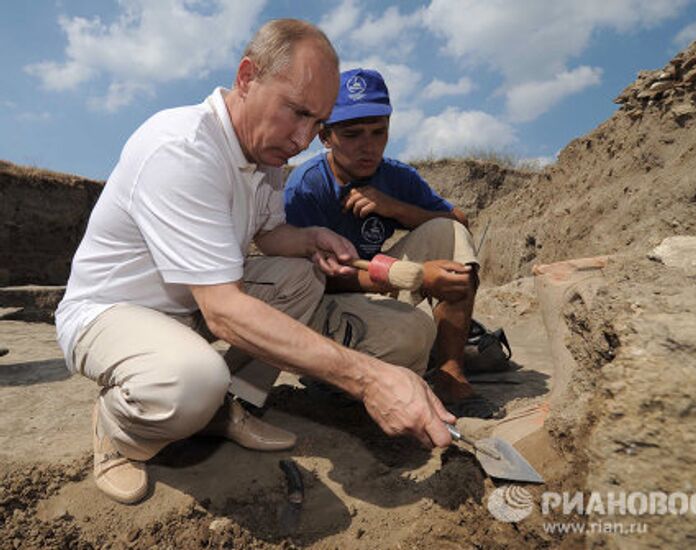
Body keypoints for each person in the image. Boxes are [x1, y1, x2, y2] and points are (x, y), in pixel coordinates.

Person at [55, 20, 454, 506]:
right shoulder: (182, 148)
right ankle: (118, 427)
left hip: (184, 308)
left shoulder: (262, 153)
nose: (304, 139)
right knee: (191, 381)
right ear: (247, 77)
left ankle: (227, 407)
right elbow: (223, 309)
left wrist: (310, 238)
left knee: (301, 277)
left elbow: (266, 234)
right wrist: (369, 378)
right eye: (298, 112)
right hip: (111, 312)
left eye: (317, 121)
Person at [284, 68, 498, 419]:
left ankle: (449, 374)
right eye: (352, 135)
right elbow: (311, 279)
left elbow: (459, 220)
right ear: (325, 136)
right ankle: (329, 374)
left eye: (378, 132)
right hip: (320, 300)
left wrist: (394, 208)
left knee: (448, 232)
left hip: (371, 285)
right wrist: (408, 275)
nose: (368, 146)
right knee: (414, 336)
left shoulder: (395, 176)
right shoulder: (306, 188)